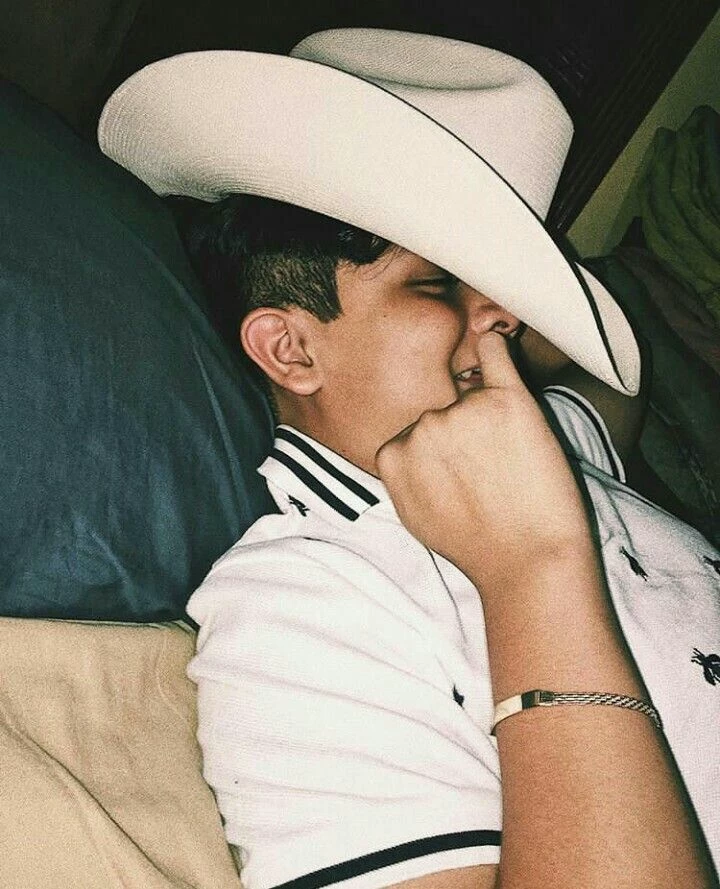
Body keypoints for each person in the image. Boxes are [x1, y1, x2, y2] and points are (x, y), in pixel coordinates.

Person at [98, 29, 720, 889]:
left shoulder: (545, 439)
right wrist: (530, 572)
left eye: (503, 292)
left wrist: (515, 311)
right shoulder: (303, 605)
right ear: (290, 348)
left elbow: (618, 389)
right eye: (435, 282)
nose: (504, 316)